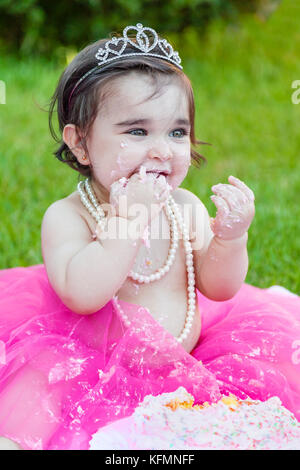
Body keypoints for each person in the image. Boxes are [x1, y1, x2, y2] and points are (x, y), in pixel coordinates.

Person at [0, 23, 299, 451]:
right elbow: (84, 295)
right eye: (137, 132)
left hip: (187, 357)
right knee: (38, 406)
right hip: (91, 362)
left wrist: (230, 239)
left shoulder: (185, 207)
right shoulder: (69, 216)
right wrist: (128, 220)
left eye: (176, 132)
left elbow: (219, 287)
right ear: (81, 144)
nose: (162, 149)